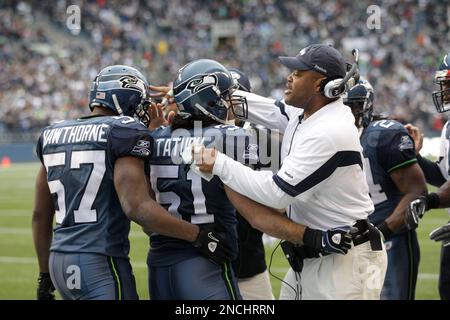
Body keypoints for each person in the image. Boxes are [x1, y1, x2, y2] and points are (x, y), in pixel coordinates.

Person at [192, 44, 388, 299]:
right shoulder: (307, 113)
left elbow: (277, 194)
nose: (289, 76)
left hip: (344, 261)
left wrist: (219, 163)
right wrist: (192, 95)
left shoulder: (330, 131)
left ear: (322, 85)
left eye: (298, 72)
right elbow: (260, 107)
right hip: (315, 255)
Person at [147, 58, 354, 300]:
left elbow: (145, 210)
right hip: (213, 262)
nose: (232, 104)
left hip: (167, 260)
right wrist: (313, 236)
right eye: (227, 97)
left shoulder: (156, 137)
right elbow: (261, 211)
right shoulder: (235, 138)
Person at [32, 65, 233, 300]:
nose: (143, 109)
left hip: (59, 261)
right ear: (124, 99)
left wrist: (44, 273)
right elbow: (137, 207)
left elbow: (40, 214)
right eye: (141, 102)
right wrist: (198, 235)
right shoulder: (122, 130)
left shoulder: (53, 133)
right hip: (99, 261)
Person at [343, 80, 427, 300]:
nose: (347, 113)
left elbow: (417, 191)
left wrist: (381, 232)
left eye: (352, 106)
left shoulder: (383, 134)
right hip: (348, 241)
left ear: (366, 106)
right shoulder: (330, 138)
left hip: (391, 239)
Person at [405, 53, 450, 300]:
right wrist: (415, 158)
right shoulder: (448, 126)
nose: (442, 89)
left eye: (447, 82)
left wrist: (429, 202)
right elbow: (445, 178)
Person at [227, 68, 275, 300]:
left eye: (234, 99)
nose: (227, 106)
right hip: (205, 263)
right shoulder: (194, 134)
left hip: (250, 263)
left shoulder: (265, 140)